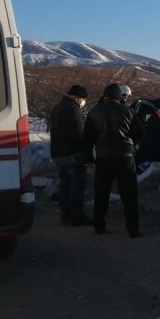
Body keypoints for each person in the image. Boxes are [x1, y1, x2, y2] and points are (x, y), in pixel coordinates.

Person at [83, 83, 145, 238]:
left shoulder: (94, 112)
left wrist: (88, 158)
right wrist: (131, 141)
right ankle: (133, 228)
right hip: (125, 156)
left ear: (105, 95)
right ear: (119, 96)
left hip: (103, 157)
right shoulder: (128, 111)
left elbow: (87, 139)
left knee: (101, 193)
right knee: (129, 195)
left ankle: (99, 226)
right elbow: (141, 133)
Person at [49, 85, 92, 226]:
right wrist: (86, 151)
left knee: (64, 185)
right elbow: (79, 133)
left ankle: (65, 214)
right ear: (77, 98)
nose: (83, 102)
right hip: (73, 153)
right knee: (76, 186)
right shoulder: (73, 109)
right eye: (83, 99)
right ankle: (77, 216)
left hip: (58, 152)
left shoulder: (57, 108)